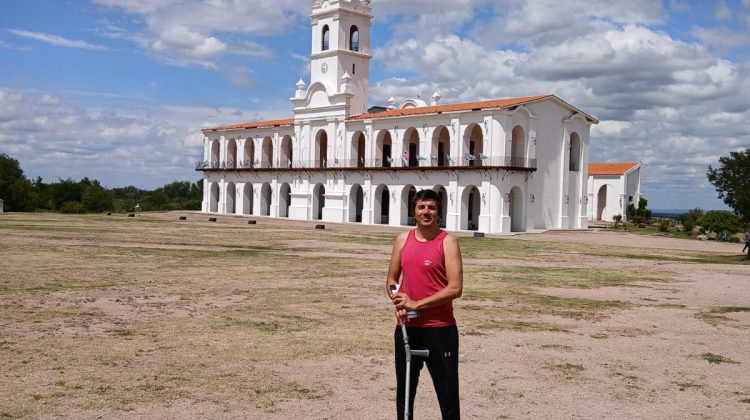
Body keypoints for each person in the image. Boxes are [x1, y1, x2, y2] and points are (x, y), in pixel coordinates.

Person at [386, 189, 463, 419]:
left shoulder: (447, 242)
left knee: (447, 395)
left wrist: (417, 304)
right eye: (421, 207)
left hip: (440, 329)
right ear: (414, 212)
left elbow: (455, 288)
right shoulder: (402, 240)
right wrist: (398, 300)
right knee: (405, 394)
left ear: (439, 213)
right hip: (407, 329)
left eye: (431, 207)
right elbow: (392, 280)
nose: (426, 211)